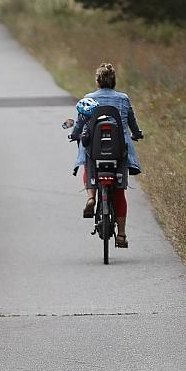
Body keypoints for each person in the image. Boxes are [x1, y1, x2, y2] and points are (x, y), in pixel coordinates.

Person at [68, 63, 143, 248]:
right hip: (119, 150)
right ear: (114, 81)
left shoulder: (89, 98)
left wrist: (74, 134)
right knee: (119, 192)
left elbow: (80, 123)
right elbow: (132, 123)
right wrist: (137, 133)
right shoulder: (123, 99)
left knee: (88, 162)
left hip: (95, 149)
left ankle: (91, 197)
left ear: (98, 81)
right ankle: (122, 235)